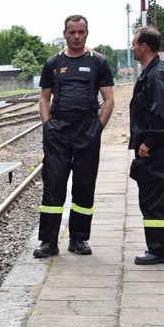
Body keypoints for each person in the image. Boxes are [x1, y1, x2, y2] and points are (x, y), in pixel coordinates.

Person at [33, 14, 115, 258]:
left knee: (84, 186)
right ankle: (48, 242)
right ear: (65, 34)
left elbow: (109, 100)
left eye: (81, 32)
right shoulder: (53, 63)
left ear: (87, 33)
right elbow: (44, 98)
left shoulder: (98, 62)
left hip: (87, 133)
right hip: (58, 134)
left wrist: (97, 128)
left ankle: (78, 239)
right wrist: (48, 126)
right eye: (72, 32)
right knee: (53, 185)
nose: (77, 36)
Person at [129, 26, 164, 265]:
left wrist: (148, 142)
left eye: (134, 44)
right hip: (158, 148)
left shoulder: (155, 75)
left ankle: (159, 250)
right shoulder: (153, 72)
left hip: (155, 149)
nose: (131, 47)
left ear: (144, 46)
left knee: (154, 199)